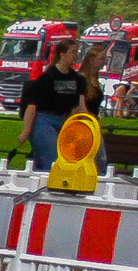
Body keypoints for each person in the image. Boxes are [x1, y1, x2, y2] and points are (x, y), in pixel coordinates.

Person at [15, 37, 92, 172]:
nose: (76, 56)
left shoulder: (77, 79)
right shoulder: (47, 77)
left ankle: (39, 167)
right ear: (62, 54)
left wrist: (90, 123)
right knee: (53, 159)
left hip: (65, 121)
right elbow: (32, 106)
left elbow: (80, 106)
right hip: (44, 120)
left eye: (77, 52)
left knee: (68, 159)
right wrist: (25, 131)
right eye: (73, 52)